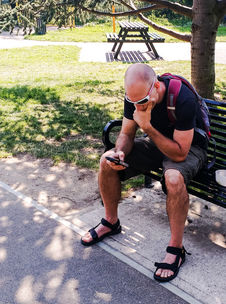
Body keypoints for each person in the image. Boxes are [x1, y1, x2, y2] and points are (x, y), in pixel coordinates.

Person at [81, 63, 208, 282]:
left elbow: (179, 154)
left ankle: (176, 250)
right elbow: (127, 133)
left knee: (173, 177)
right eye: (133, 102)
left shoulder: (182, 99)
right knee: (106, 160)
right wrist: (119, 152)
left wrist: (148, 127)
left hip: (188, 149)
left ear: (157, 86)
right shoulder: (135, 97)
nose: (137, 107)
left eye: (142, 102)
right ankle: (111, 222)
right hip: (158, 144)